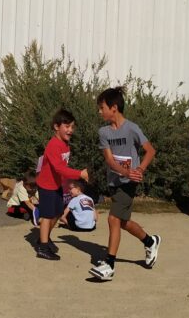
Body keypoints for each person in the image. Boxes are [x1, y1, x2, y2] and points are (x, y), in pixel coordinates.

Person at [90, 87, 161, 281]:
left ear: (113, 108)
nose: (99, 111)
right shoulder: (103, 132)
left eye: (102, 107)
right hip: (114, 181)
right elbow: (109, 160)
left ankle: (109, 265)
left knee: (113, 219)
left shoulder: (132, 128)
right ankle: (150, 241)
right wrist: (125, 171)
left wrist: (139, 170)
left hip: (129, 183)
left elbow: (150, 151)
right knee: (122, 222)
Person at [33, 109, 89, 260]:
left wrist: (67, 182)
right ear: (56, 127)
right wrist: (79, 174)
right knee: (47, 216)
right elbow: (59, 168)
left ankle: (44, 238)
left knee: (58, 213)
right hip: (46, 186)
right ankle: (43, 248)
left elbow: (62, 168)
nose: (70, 130)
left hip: (56, 185)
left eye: (72, 127)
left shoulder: (65, 144)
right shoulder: (53, 145)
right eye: (67, 126)